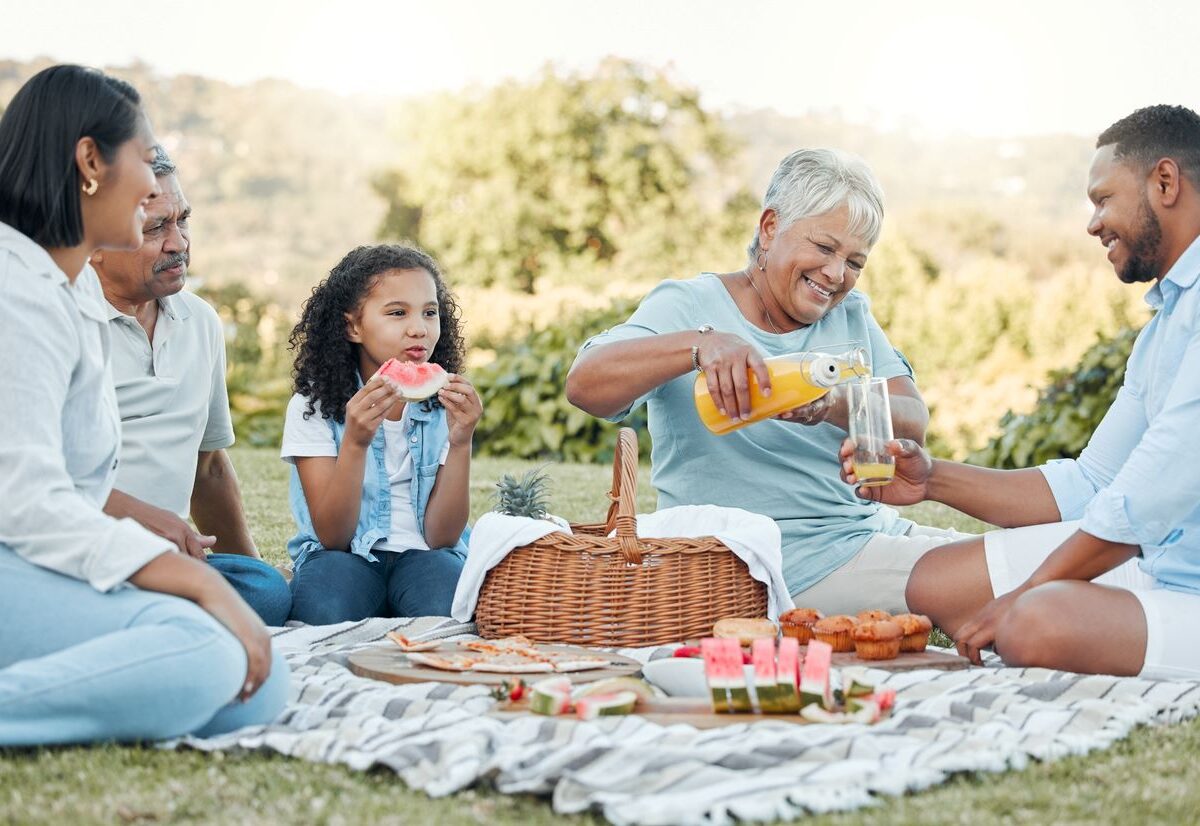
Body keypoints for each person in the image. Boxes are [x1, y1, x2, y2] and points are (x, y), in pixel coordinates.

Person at [857, 105, 1200, 680]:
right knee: (936, 582)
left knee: (1032, 623)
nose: (1093, 224)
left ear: (1164, 182)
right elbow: (1094, 483)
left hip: (1183, 580)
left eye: (1102, 199)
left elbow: (1148, 495)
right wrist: (932, 478)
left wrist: (1029, 590)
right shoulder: (1167, 322)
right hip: (1161, 561)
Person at [0, 65, 288, 746]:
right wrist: (200, 583)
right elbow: (26, 502)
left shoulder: (65, 292)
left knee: (260, 682)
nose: (154, 183)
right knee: (211, 647)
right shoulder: (15, 295)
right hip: (18, 555)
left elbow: (93, 487)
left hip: (46, 561)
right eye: (145, 158)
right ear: (90, 162)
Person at [566, 148, 965, 614]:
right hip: (771, 564)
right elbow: (585, 384)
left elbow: (913, 422)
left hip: (867, 532)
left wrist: (832, 403)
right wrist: (700, 345)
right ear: (770, 228)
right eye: (824, 248)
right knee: (1013, 574)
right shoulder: (690, 304)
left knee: (1039, 555)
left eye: (855, 262)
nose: (837, 275)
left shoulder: (851, 314)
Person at [90, 146, 291, 625]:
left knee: (265, 593)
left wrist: (252, 568)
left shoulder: (199, 321)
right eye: (155, 227)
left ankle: (165, 612)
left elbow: (209, 469)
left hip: (170, 561)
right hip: (82, 551)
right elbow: (32, 486)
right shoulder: (57, 323)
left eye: (183, 221)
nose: (178, 242)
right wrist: (138, 517)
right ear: (93, 243)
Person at [282, 244, 480, 624]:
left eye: (429, 312)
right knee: (323, 608)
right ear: (353, 326)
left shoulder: (444, 402)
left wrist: (461, 442)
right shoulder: (313, 406)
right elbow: (333, 537)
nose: (418, 328)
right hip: (342, 556)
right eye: (397, 313)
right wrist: (355, 442)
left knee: (450, 608)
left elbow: (442, 537)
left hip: (425, 555)